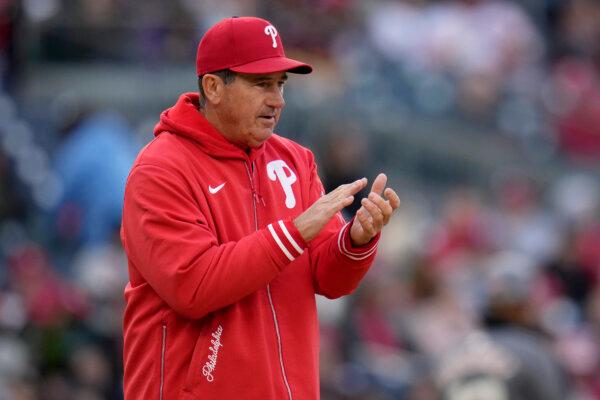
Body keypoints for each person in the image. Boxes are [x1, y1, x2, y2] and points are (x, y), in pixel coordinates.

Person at [120, 16, 400, 399]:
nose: (278, 100)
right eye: (261, 84)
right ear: (213, 87)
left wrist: (356, 240)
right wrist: (293, 233)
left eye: (281, 84)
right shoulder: (160, 169)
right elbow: (193, 286)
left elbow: (331, 280)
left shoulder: (295, 159)